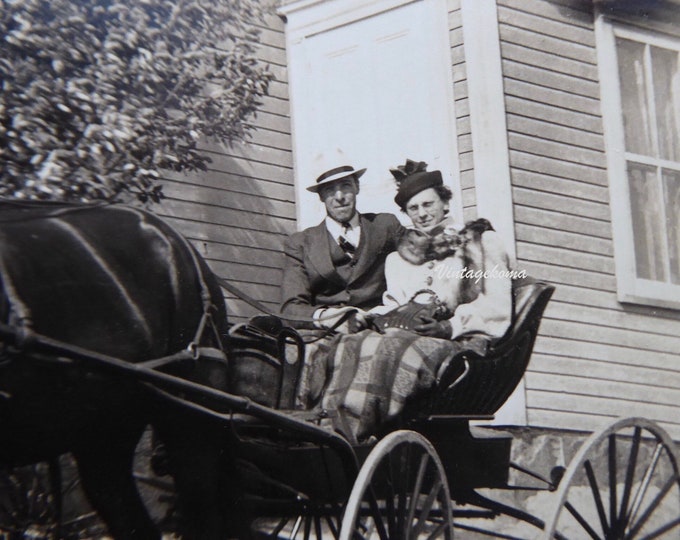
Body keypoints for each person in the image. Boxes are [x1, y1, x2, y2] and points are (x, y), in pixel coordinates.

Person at [312, 159, 514, 442]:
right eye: (413, 209)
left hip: (462, 342)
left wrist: (449, 327)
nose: (422, 214)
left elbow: (496, 304)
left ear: (444, 203)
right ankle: (331, 422)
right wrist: (368, 316)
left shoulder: (480, 242)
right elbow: (396, 304)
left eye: (428, 204)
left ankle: (358, 430)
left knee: (392, 347)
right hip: (413, 333)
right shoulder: (401, 258)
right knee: (350, 342)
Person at [280, 161, 404, 331]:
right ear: (321, 197)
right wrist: (327, 318)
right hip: (327, 334)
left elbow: (422, 259)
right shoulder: (301, 243)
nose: (339, 197)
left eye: (345, 186)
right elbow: (290, 308)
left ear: (357, 188)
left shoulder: (385, 226)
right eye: (329, 190)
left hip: (381, 329)